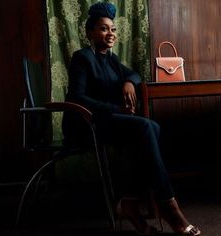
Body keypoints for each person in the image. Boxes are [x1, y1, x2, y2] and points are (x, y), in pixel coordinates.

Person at [62, 2, 201, 235]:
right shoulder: (82, 57)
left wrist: (129, 82)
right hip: (85, 124)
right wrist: (115, 109)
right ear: (89, 32)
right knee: (146, 128)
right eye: (104, 29)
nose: (111, 34)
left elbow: (134, 73)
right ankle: (169, 208)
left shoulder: (112, 60)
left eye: (113, 30)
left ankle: (130, 201)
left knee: (152, 128)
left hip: (105, 122)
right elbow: (78, 97)